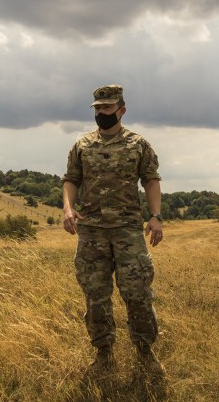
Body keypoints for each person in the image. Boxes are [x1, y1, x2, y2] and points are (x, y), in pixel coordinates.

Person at [62, 84, 166, 380]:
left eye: (107, 108)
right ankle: (103, 355)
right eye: (97, 108)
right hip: (91, 232)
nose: (101, 113)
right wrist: (68, 209)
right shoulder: (82, 145)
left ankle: (145, 353)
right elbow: (70, 180)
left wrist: (155, 216)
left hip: (127, 231)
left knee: (137, 292)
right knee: (95, 294)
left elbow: (151, 179)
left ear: (121, 110)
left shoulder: (138, 145)